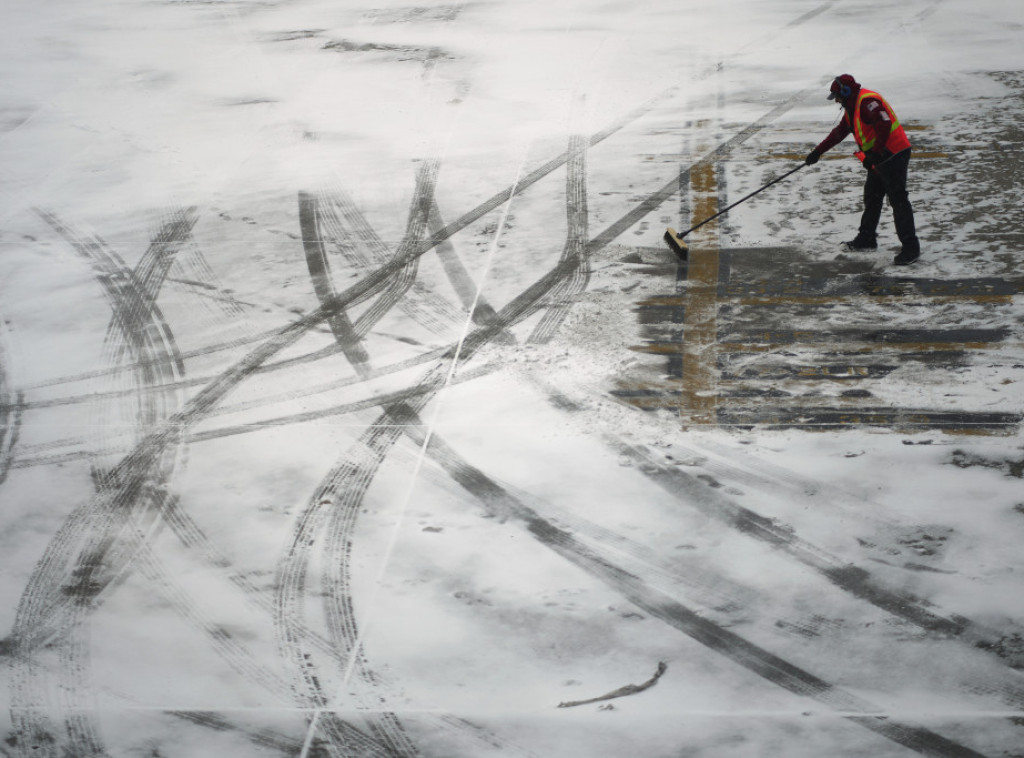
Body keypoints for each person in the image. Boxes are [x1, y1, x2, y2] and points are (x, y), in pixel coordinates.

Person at [805, 74, 920, 265]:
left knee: (898, 200)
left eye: (837, 97)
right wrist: (818, 152)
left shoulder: (867, 103)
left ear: (846, 92)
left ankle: (911, 248)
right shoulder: (852, 109)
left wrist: (875, 153)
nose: (837, 101)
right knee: (872, 196)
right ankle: (867, 238)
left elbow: (884, 123)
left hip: (894, 153)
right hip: (880, 157)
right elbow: (839, 133)